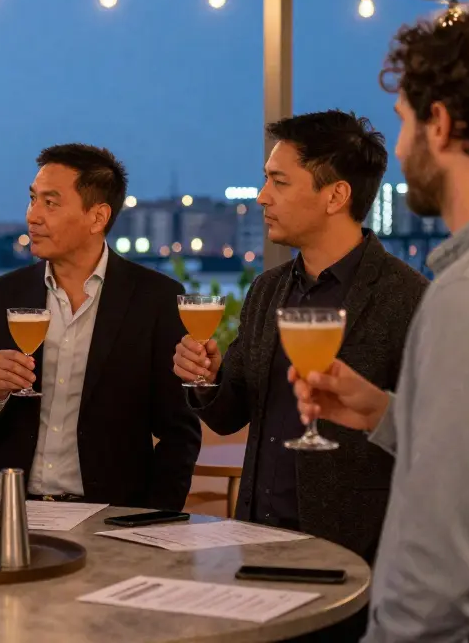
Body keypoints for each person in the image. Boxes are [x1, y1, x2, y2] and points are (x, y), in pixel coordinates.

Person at [294, 7, 469, 642]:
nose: (402, 147)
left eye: (405, 121)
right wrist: (387, 413)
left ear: (440, 123)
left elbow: (437, 575)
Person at [173, 111, 427, 566]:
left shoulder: (408, 297)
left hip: (352, 558)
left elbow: (428, 438)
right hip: (256, 543)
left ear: (336, 196)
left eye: (279, 181)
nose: (262, 196)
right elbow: (231, 414)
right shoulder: (267, 290)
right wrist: (206, 378)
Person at [0, 144, 201, 509]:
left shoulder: (155, 299)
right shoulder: (3, 294)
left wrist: (152, 515)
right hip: (13, 512)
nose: (33, 216)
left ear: (97, 217)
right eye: (32, 199)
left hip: (110, 516)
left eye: (50, 203)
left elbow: (180, 432)